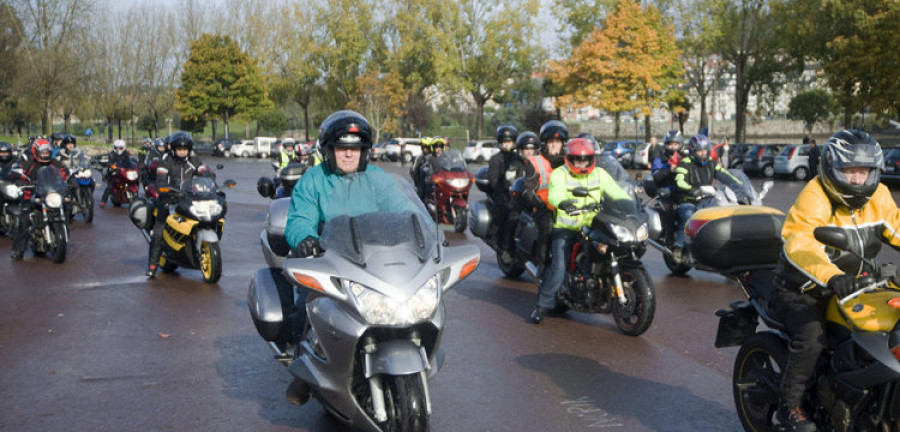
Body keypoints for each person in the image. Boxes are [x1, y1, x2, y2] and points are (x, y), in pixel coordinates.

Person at [282, 111, 419, 405]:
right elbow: (298, 218)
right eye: (342, 147)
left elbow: (403, 206)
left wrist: (422, 228)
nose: (348, 153)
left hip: (376, 259)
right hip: (330, 259)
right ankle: (303, 367)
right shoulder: (313, 181)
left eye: (355, 148)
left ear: (364, 151)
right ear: (329, 150)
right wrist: (304, 239)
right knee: (304, 306)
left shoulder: (378, 180)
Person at [771, 129, 900, 432]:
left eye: (864, 171)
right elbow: (801, 243)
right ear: (832, 169)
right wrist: (831, 276)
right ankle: (789, 407)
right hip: (801, 288)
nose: (858, 179)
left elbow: (896, 225)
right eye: (850, 170)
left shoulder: (878, 195)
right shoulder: (815, 195)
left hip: (856, 285)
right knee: (811, 337)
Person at [528, 138, 632, 324]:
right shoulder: (560, 174)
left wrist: (631, 204)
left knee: (619, 248)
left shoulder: (600, 174)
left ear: (592, 158)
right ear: (570, 159)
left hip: (594, 224)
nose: (582, 164)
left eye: (585, 160)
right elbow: (555, 193)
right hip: (568, 227)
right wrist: (563, 202)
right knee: (559, 267)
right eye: (578, 160)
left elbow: (617, 192)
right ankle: (541, 306)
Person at [146, 132, 209, 277]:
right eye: (180, 149)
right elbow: (160, 178)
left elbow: (203, 169)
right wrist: (162, 187)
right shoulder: (166, 160)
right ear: (174, 149)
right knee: (158, 232)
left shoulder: (193, 160)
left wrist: (208, 177)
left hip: (188, 198)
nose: (182, 151)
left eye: (185, 149)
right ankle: (152, 265)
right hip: (168, 199)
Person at [671, 134, 741, 260]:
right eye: (699, 150)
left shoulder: (711, 163)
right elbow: (679, 181)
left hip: (706, 199)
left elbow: (724, 174)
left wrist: (739, 185)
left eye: (705, 150)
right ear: (693, 151)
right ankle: (678, 247)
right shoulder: (685, 163)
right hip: (688, 200)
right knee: (690, 219)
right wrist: (693, 190)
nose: (703, 153)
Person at [8, 138, 68, 261]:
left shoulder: (55, 163)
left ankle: (61, 234)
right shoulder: (29, 163)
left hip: (50, 194)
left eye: (47, 152)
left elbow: (63, 172)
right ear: (36, 152)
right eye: (42, 152)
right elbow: (20, 172)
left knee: (67, 207)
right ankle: (18, 250)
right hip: (31, 196)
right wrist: (20, 182)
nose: (45, 155)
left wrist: (68, 177)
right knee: (24, 221)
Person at [522, 120, 568, 266]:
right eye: (551, 141)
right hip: (544, 208)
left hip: (567, 206)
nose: (554, 144)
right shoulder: (535, 162)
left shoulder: (569, 161)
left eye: (558, 141)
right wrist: (540, 205)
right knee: (547, 228)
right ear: (545, 143)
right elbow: (528, 190)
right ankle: (542, 266)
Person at [487, 124, 524, 260]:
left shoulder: (518, 159)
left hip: (517, 192)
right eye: (504, 142)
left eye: (509, 141)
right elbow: (493, 180)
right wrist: (503, 188)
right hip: (501, 191)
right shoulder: (496, 159)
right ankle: (496, 237)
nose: (507, 144)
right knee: (505, 208)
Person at [99, 139, 132, 208]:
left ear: (123, 147)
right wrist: (112, 167)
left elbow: (130, 162)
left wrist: (134, 166)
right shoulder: (112, 154)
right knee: (110, 186)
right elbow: (109, 163)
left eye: (120, 148)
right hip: (113, 172)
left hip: (123, 171)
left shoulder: (126, 153)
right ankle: (103, 201)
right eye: (116, 147)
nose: (118, 149)